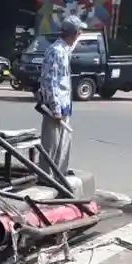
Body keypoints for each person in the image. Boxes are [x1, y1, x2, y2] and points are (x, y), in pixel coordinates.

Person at [37, 15, 85, 174]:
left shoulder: (64, 49)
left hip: (64, 105)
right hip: (55, 107)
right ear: (74, 33)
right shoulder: (55, 52)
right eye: (79, 32)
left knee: (63, 144)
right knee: (51, 145)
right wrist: (55, 109)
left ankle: (59, 176)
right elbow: (50, 81)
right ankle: (47, 177)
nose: (80, 35)